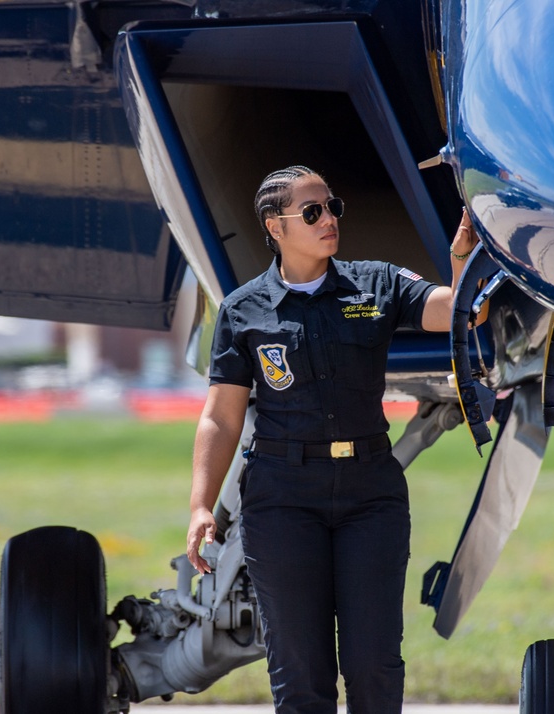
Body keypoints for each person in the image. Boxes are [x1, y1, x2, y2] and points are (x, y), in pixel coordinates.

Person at [185, 165, 478, 713]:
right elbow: (221, 418)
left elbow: (462, 312)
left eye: (332, 208)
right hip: (282, 499)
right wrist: (202, 504)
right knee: (300, 676)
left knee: (374, 668)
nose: (329, 221)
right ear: (275, 227)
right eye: (312, 212)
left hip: (370, 494)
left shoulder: (377, 283)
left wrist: (461, 259)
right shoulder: (242, 310)